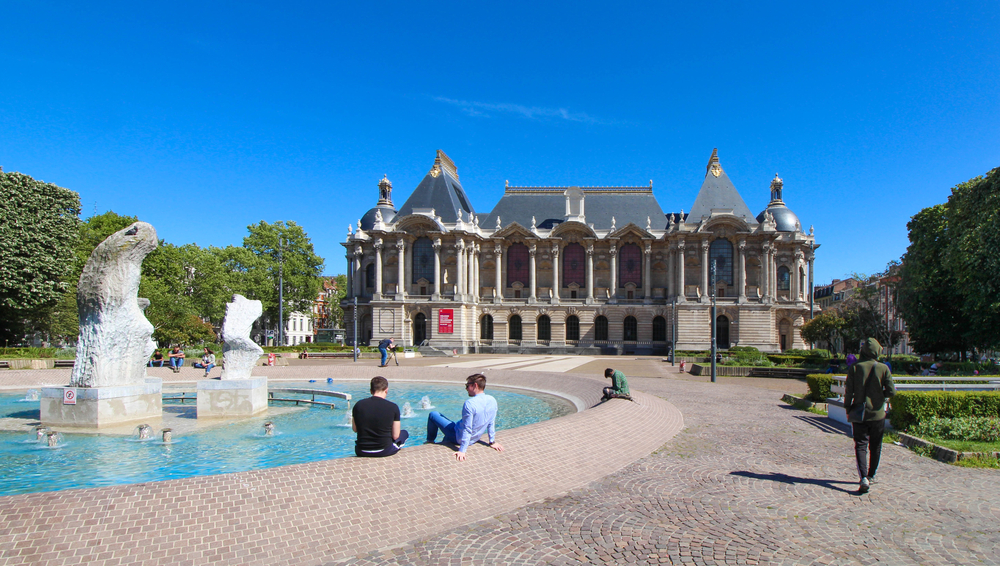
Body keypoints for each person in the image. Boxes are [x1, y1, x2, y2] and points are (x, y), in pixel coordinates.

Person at [844, 337, 896, 494]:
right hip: (877, 413)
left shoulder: (855, 367)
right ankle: (872, 474)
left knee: (860, 445)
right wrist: (880, 396)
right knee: (876, 445)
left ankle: (863, 477)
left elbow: (848, 392)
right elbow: (892, 391)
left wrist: (847, 407)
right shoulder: (883, 368)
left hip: (859, 412)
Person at [426, 373, 505, 461]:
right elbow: (491, 422)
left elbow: (467, 428)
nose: (466, 389)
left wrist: (462, 450)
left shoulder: (470, 403)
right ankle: (444, 440)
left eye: (467, 385)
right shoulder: (492, 400)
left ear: (475, 385)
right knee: (449, 430)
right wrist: (492, 441)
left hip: (457, 437)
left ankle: (430, 441)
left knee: (433, 414)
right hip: (475, 438)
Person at [352, 376, 409, 457]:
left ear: (371, 391)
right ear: (386, 390)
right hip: (384, 450)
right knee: (404, 433)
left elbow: (355, 429)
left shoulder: (358, 405)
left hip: (361, 450)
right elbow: (395, 435)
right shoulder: (393, 407)